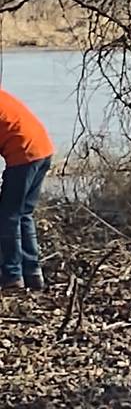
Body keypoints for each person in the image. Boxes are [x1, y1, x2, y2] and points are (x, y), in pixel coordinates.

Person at [0, 89, 54, 292]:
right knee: (23, 215)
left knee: (8, 216)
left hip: (24, 154)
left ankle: (12, 276)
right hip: (42, 150)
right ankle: (32, 273)